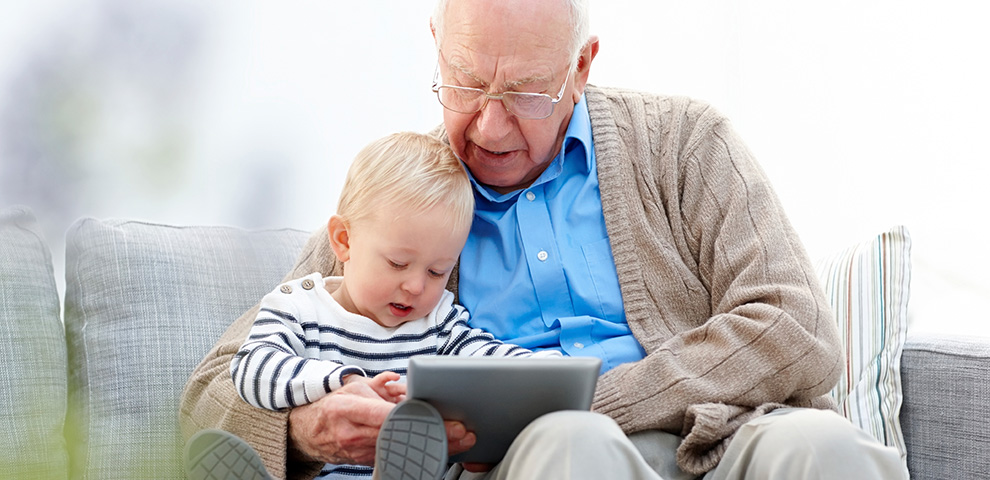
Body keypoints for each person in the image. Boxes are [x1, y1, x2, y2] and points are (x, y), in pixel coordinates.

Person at [181, 0, 908, 479]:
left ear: (582, 66)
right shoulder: (404, 208)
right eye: (465, 84)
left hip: (722, 439)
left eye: (526, 93)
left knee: (826, 449)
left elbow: (795, 327)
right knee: (573, 446)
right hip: (546, 460)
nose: (491, 127)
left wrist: (598, 399)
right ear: (435, 48)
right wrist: (309, 428)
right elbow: (210, 392)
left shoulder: (686, 143)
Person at [226, 131, 559, 479]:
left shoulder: (438, 323)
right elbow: (251, 367)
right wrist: (341, 382)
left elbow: (484, 356)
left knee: (426, 445)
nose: (416, 286)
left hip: (408, 467)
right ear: (344, 241)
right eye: (398, 264)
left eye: (437, 271)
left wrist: (539, 370)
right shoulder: (297, 308)